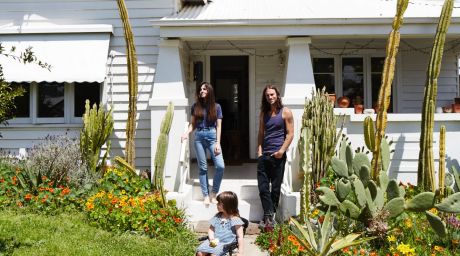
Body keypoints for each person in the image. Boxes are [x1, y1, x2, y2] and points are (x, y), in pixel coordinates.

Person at [257, 84, 294, 231]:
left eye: (272, 94)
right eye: (267, 95)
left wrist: (281, 151)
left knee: (276, 188)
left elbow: (290, 134)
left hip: (278, 155)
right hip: (264, 155)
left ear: (277, 95)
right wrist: (259, 151)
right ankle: (268, 215)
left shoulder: (286, 112)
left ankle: (268, 217)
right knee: (263, 187)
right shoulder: (263, 113)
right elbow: (261, 133)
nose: (270, 97)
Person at [182, 82, 225, 205]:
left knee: (220, 166)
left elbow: (219, 126)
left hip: (212, 136)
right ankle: (206, 195)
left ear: (209, 91)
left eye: (204, 89)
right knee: (203, 168)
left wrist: (218, 143)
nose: (201, 91)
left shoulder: (216, 107)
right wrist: (186, 133)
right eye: (200, 89)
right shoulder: (195, 106)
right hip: (199, 137)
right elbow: (193, 124)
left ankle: (214, 192)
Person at [196, 191, 244, 256]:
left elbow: (240, 237)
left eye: (219, 203)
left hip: (225, 244)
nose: (217, 204)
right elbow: (211, 229)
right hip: (214, 241)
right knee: (200, 253)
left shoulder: (235, 220)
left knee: (213, 255)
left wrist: (240, 252)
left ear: (227, 205)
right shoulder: (217, 217)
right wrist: (212, 239)